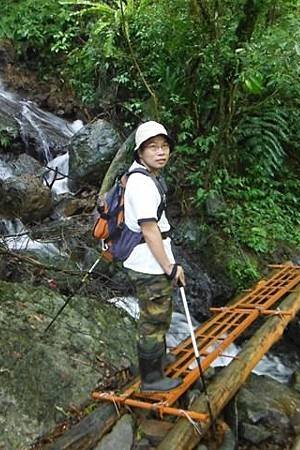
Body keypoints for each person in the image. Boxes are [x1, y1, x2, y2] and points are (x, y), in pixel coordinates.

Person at [123, 121, 185, 392]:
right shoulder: (142, 184)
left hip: (146, 260)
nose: (161, 152)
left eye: (164, 146)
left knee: (159, 314)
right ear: (140, 153)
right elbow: (149, 231)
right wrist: (170, 268)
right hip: (147, 263)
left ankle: (158, 360)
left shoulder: (143, 177)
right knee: (154, 319)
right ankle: (151, 379)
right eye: (152, 147)